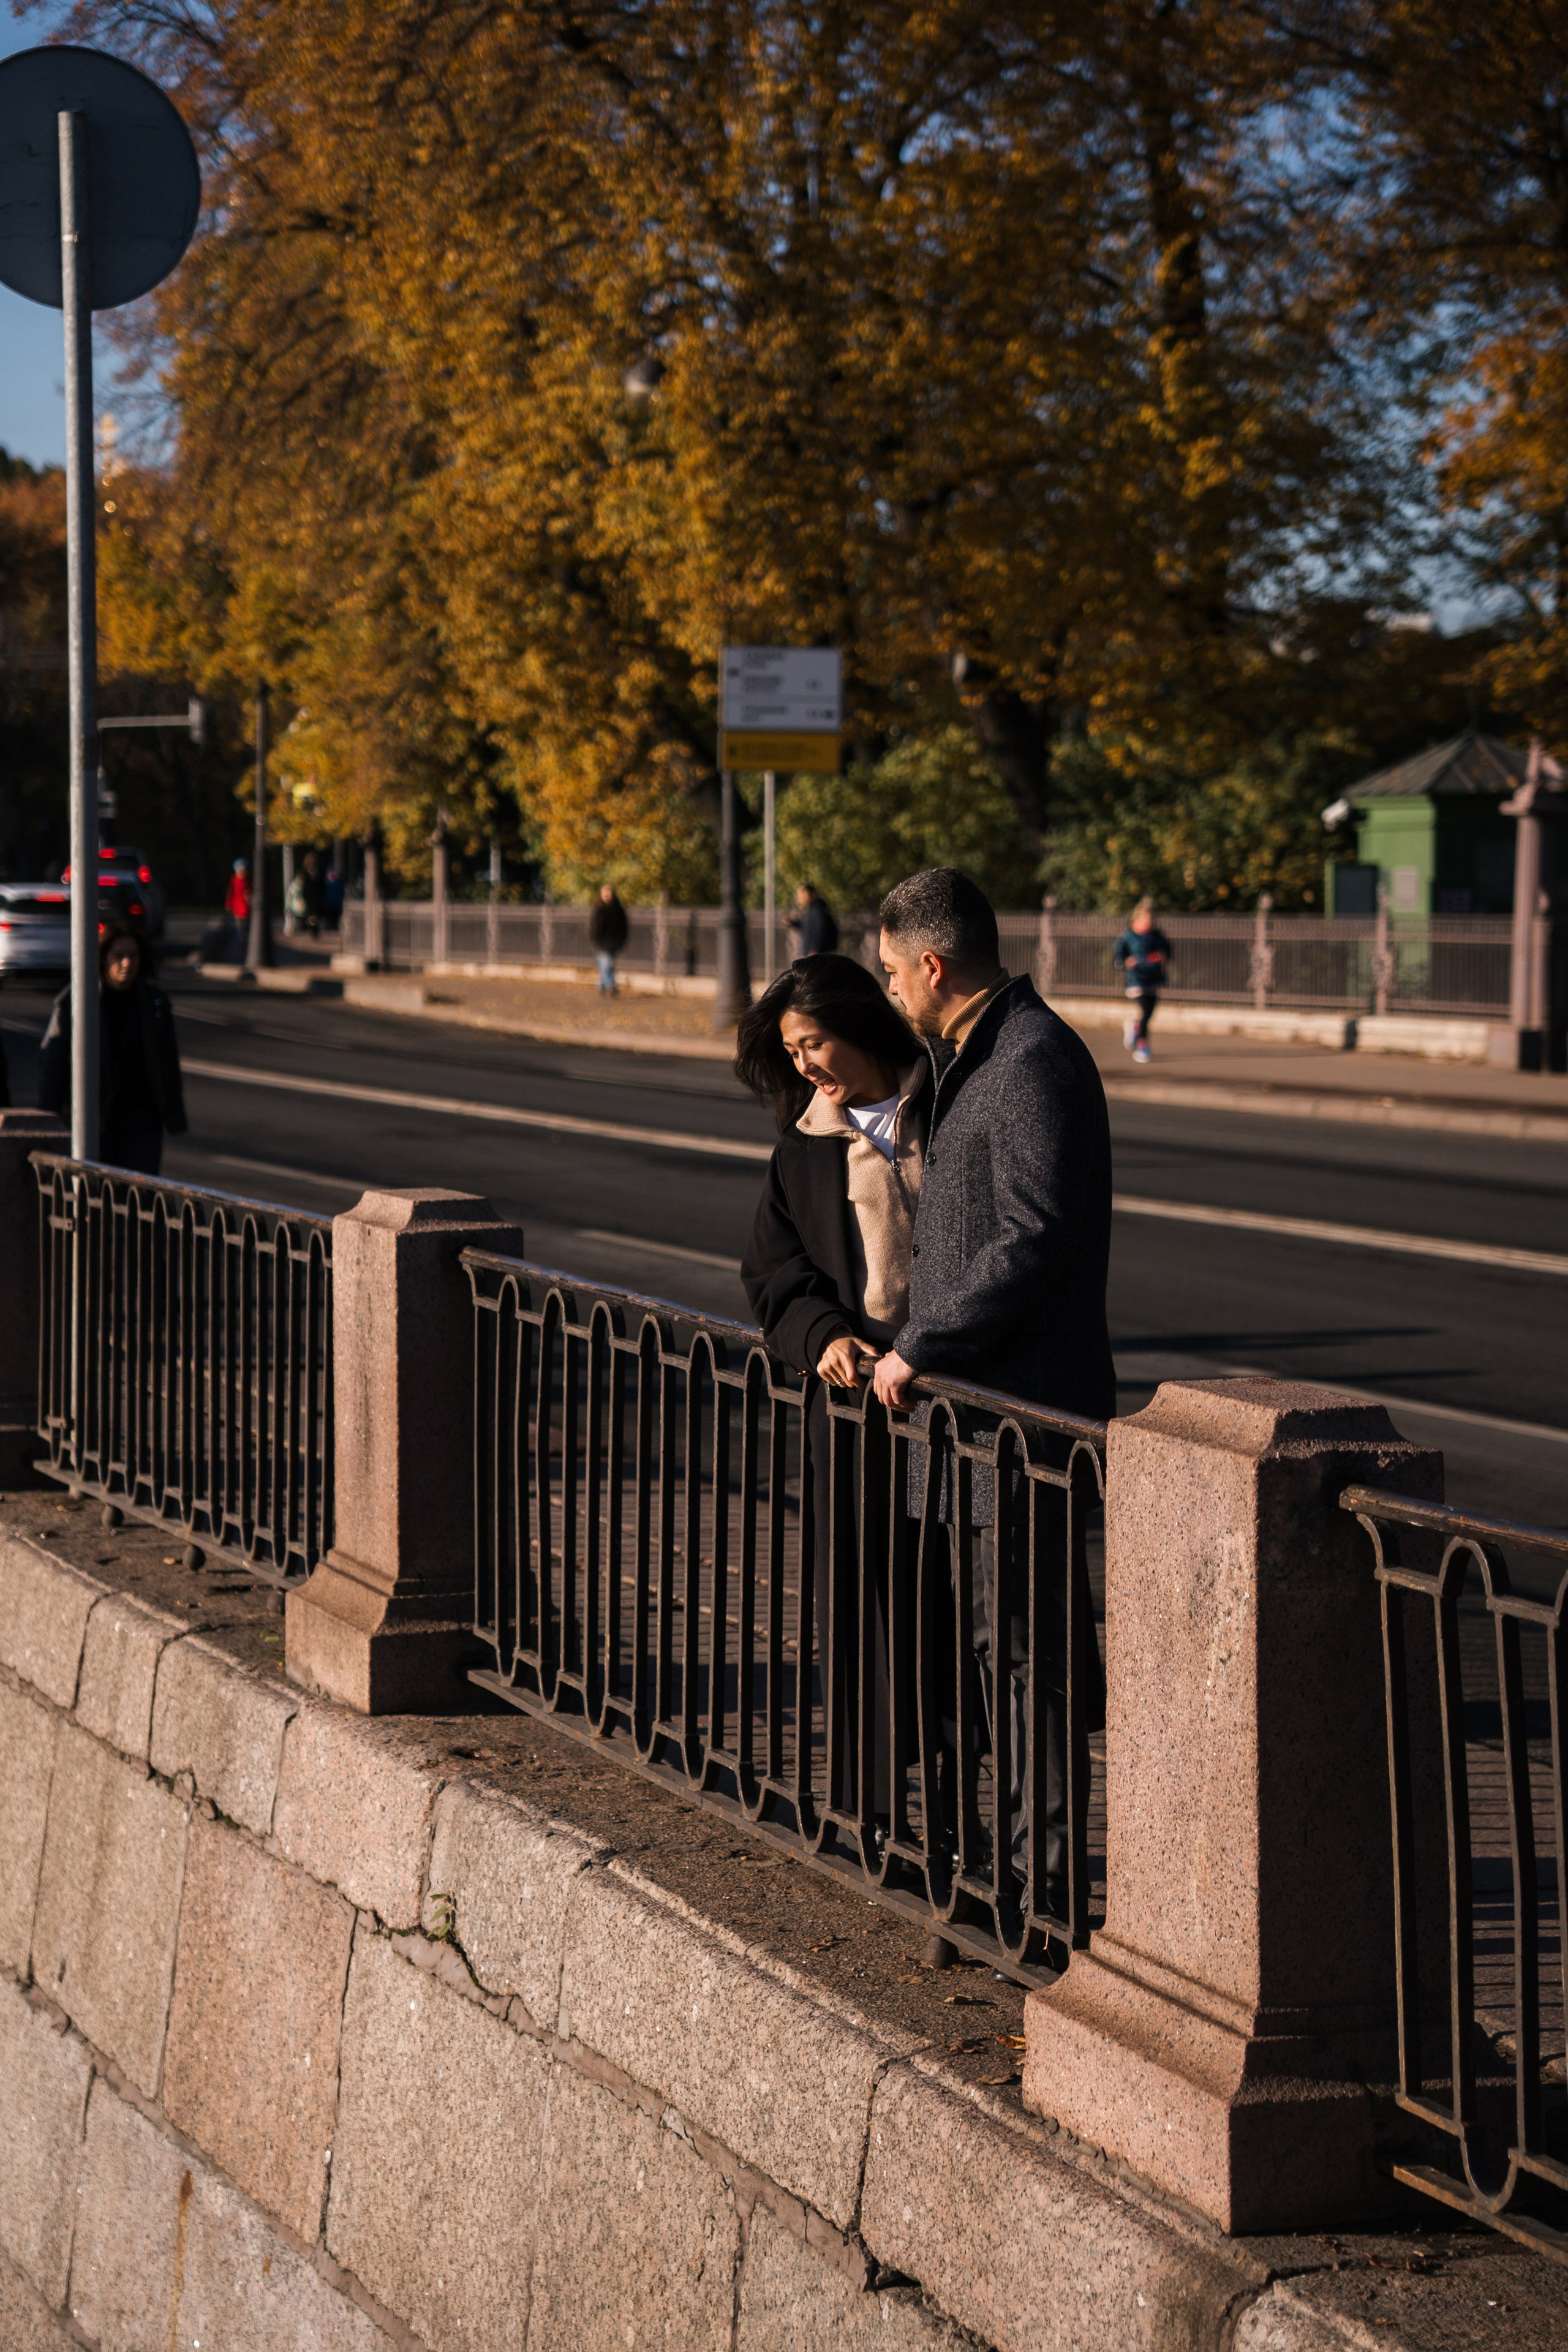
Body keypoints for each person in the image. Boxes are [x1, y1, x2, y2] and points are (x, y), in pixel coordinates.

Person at [870, 867, 1114, 1917]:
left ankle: (1044, 1898)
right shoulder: (974, 1055)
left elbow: (1033, 1238)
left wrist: (921, 1341)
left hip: (1020, 1419)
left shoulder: (1029, 1063)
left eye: (890, 976)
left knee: (1031, 1668)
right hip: (979, 1430)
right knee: (997, 1654)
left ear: (933, 967)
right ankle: (1013, 1880)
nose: (888, 994)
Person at [736, 953, 930, 1800]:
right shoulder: (803, 1148)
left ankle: (977, 1798)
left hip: (954, 1391)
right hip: (859, 1411)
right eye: (793, 1054)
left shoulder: (948, 1106)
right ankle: (877, 1806)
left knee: (962, 1623)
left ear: (858, 1025)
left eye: (814, 1043)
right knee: (869, 1608)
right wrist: (822, 1334)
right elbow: (776, 1275)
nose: (807, 1066)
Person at [37, 924, 188, 1175]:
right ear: (103, 957)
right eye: (118, 956)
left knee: (140, 1197)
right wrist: (47, 1118)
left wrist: (174, 1115)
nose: (126, 963)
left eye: (133, 956)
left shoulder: (155, 1003)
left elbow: (168, 1063)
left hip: (141, 1120)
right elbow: (53, 1062)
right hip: (91, 1120)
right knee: (93, 1195)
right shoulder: (75, 1000)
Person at [1112, 897, 1170, 1063]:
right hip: (1136, 979)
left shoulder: (1157, 935)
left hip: (1154, 977)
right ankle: (1142, 1044)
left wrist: (1161, 956)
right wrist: (1126, 962)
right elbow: (1118, 957)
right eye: (1147, 918)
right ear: (1138, 918)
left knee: (1150, 1012)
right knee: (1145, 1011)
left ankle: (1135, 1028)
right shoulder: (1128, 936)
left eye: (1152, 919)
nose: (1150, 922)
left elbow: (1167, 951)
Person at [589, 883, 630, 993]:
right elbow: (593, 928)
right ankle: (611, 985)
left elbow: (624, 927)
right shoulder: (598, 909)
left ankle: (601, 985)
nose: (607, 894)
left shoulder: (618, 910)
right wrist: (595, 941)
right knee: (606, 963)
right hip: (601, 943)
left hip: (614, 943)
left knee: (607, 964)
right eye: (605, 892)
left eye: (609, 892)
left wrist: (622, 941)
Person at [786, 882, 839, 959]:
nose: (800, 899)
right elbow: (806, 928)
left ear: (809, 895)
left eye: (802, 895)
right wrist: (792, 923)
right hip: (809, 952)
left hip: (816, 954)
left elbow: (821, 930)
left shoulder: (818, 910)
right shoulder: (811, 910)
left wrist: (815, 949)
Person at [223, 857, 251, 959]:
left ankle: (246, 945)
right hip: (238, 908)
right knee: (241, 928)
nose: (242, 872)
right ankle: (242, 945)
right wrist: (229, 903)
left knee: (247, 927)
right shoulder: (234, 880)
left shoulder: (249, 880)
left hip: (247, 908)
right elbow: (231, 893)